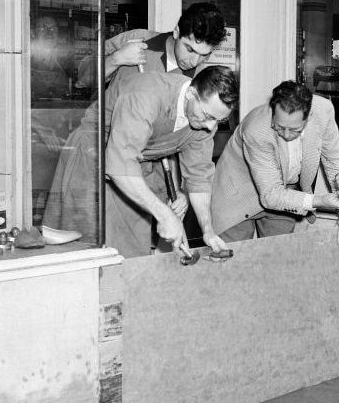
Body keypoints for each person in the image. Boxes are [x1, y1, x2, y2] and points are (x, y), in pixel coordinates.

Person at [43, 65, 238, 258]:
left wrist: (208, 229)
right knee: (87, 242)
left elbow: (198, 177)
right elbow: (120, 166)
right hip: (91, 157)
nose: (210, 126)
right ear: (191, 94)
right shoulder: (146, 94)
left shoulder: (205, 123)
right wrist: (165, 215)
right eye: (208, 116)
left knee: (131, 246)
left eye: (218, 121)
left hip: (133, 167)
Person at [211, 81, 339, 247]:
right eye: (279, 127)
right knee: (236, 265)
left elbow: (338, 160)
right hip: (236, 195)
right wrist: (320, 200)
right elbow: (271, 194)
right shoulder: (256, 129)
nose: (286, 135)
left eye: (294, 129)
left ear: (308, 117)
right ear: (273, 112)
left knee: (279, 261)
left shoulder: (322, 111)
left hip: (284, 192)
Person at [75, 2, 226, 89]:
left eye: (204, 55)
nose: (194, 61)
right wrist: (116, 59)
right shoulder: (136, 39)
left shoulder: (201, 79)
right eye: (190, 49)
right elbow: (83, 80)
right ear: (176, 32)